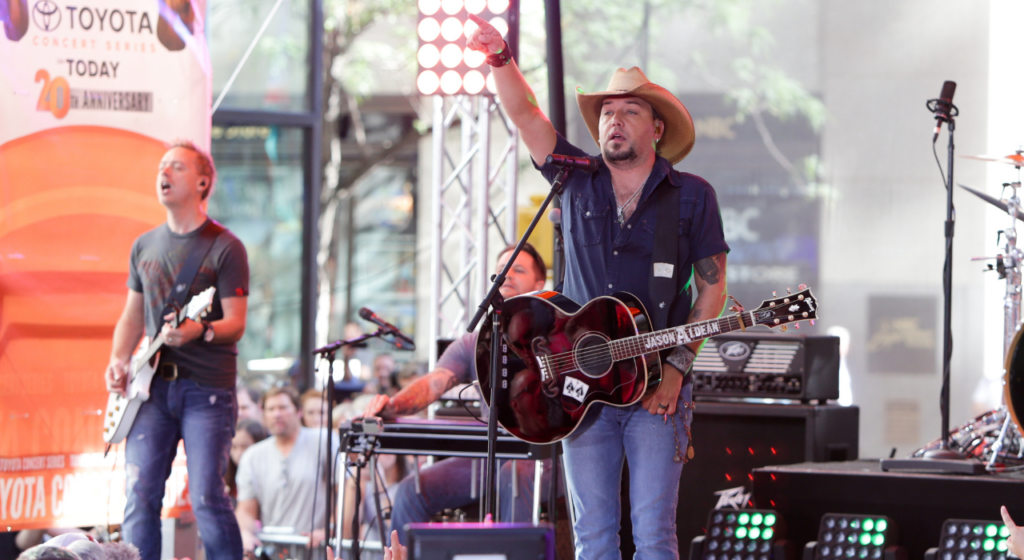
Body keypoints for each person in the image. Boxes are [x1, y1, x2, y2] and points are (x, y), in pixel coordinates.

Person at [467, 16, 730, 560]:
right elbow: (525, 113)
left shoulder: (691, 195)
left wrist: (677, 371)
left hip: (656, 385)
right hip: (577, 389)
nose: (615, 119)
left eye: (630, 111)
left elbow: (712, 291)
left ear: (656, 129)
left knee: (654, 539)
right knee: (592, 540)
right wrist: (499, 57)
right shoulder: (574, 177)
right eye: (608, 112)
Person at [104, 140, 249, 560]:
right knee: (139, 495)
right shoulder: (144, 245)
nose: (164, 174)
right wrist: (117, 359)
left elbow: (235, 323)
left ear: (203, 182)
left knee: (206, 496)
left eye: (177, 167)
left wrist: (198, 331)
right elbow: (132, 318)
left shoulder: (225, 246)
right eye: (161, 167)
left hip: (206, 390)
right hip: (151, 392)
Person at [364, 243, 552, 543]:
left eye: (518, 269)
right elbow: (436, 382)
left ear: (540, 284)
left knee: (515, 476)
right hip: (490, 456)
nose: (508, 276)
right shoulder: (474, 342)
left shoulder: (556, 333)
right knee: (412, 490)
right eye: (502, 270)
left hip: (546, 455)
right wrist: (394, 405)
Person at [235, 387, 333, 552]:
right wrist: (244, 532)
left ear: (298, 411)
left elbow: (344, 493)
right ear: (263, 414)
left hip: (316, 549)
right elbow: (246, 510)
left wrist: (331, 530)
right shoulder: (252, 456)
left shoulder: (323, 440)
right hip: (274, 550)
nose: (277, 414)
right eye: (271, 409)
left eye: (283, 407)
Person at [227, 418, 269, 500]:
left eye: (244, 447)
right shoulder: (225, 478)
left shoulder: (267, 477)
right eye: (234, 447)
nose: (238, 453)